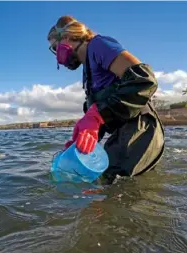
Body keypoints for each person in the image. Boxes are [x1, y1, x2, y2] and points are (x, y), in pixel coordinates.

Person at [47, 15, 165, 184]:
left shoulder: (98, 45)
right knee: (105, 185)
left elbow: (144, 80)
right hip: (123, 131)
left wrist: (96, 116)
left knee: (111, 185)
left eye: (54, 47)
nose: (56, 54)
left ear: (65, 39)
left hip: (140, 129)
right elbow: (105, 110)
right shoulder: (88, 67)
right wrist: (82, 139)